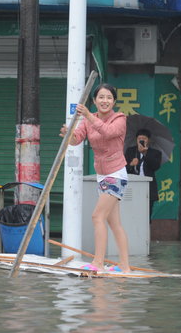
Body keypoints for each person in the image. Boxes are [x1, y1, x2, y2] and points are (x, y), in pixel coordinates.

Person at [59, 83, 131, 273]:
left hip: (116, 174)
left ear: (114, 101)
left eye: (108, 97)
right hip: (102, 175)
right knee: (113, 223)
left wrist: (88, 116)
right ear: (94, 100)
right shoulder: (88, 120)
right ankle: (124, 266)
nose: (104, 101)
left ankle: (98, 263)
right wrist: (68, 134)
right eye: (101, 97)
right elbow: (77, 139)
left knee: (97, 216)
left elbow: (108, 133)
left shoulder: (120, 119)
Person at [124, 128, 162, 219]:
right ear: (136, 140)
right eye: (139, 138)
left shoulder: (155, 153)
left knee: (146, 214)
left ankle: (145, 232)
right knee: (132, 213)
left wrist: (145, 154)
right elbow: (123, 169)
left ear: (148, 140)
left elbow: (155, 166)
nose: (141, 140)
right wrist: (131, 165)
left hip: (148, 188)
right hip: (133, 186)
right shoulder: (130, 151)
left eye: (144, 139)